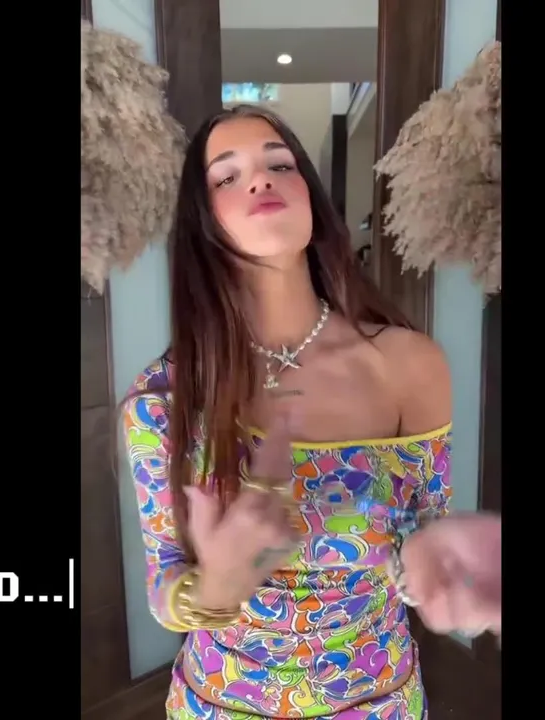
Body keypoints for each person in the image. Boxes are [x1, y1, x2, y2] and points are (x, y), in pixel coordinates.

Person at [121, 104, 484, 719]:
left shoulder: (411, 365)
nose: (261, 180)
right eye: (227, 176)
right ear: (204, 222)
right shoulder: (164, 400)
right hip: (219, 705)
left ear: (311, 197)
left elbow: (426, 537)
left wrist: (442, 574)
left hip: (378, 703)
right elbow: (164, 584)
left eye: (280, 164)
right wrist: (214, 588)